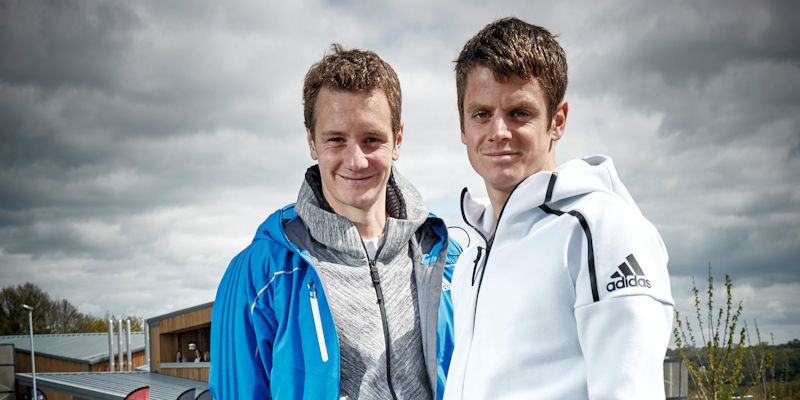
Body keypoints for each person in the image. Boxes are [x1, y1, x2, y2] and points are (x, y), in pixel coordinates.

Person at [210, 44, 460, 399]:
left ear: (398, 140)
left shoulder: (446, 257)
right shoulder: (260, 273)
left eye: (371, 139)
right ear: (312, 141)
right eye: (336, 140)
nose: (355, 161)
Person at [443, 17, 674, 399]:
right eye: (481, 114)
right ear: (463, 127)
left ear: (558, 121)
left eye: (519, 113)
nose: (498, 132)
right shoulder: (470, 259)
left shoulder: (602, 230)